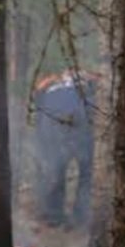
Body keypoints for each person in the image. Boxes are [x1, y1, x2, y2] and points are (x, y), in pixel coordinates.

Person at [31, 69, 96, 228]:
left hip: (75, 129)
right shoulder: (50, 86)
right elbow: (37, 99)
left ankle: (72, 216)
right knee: (59, 171)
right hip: (62, 130)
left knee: (67, 172)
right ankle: (60, 215)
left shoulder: (83, 84)